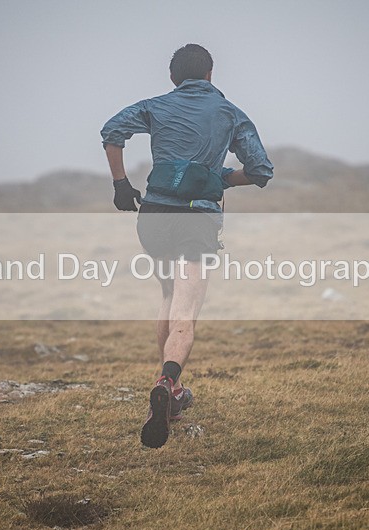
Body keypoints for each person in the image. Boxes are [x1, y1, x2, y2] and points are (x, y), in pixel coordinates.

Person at [100, 43, 273, 448]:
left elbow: (112, 132)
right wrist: (219, 178)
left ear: (173, 78)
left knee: (168, 295)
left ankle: (173, 394)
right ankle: (167, 382)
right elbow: (261, 170)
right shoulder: (230, 113)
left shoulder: (155, 106)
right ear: (211, 74)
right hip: (197, 219)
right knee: (186, 312)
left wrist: (121, 185)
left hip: (154, 216)